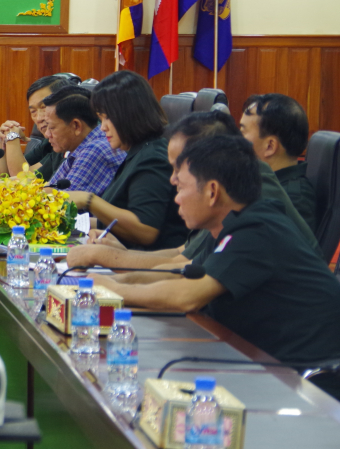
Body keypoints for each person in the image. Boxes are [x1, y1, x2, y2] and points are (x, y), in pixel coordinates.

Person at [89, 136, 340, 400]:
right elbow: (178, 274)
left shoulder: (258, 230)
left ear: (211, 191)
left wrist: (113, 289)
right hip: (268, 368)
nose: (176, 200)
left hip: (313, 385)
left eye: (181, 188)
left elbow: (186, 296)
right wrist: (118, 280)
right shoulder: (229, 227)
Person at [68, 110, 319, 270]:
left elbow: (185, 273)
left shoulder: (251, 189)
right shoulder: (223, 187)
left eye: (179, 168)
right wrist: (118, 254)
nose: (173, 179)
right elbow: (181, 255)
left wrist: (107, 264)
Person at [65, 70, 189, 251]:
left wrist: (88, 200)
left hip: (149, 267)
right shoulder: (137, 152)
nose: (103, 128)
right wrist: (65, 223)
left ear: (129, 114)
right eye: (100, 119)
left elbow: (145, 230)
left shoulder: (153, 158)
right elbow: (117, 218)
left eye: (107, 118)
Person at [240, 94, 317, 232]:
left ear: (270, 146)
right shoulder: (260, 183)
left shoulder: (293, 200)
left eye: (242, 132)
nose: (236, 140)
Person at [0, 75, 71, 183]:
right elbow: (5, 176)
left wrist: (12, 136)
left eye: (43, 107)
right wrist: (1, 139)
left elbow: (21, 179)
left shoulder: (68, 144)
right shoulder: (50, 143)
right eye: (33, 111)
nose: (39, 118)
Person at [41, 86, 125, 194]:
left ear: (76, 126)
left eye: (51, 127)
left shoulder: (96, 149)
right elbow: (48, 190)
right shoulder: (79, 148)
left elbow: (62, 204)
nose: (47, 134)